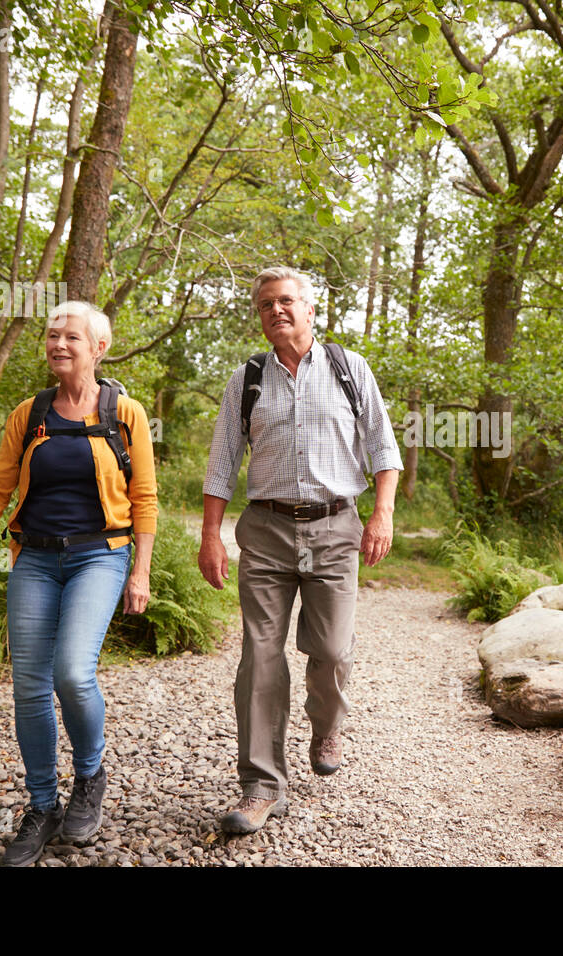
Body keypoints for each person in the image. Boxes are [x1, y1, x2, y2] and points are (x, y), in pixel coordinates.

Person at [0, 300, 158, 866]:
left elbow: (145, 500)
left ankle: (90, 775)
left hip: (100, 556)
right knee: (29, 687)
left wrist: (141, 572)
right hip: (34, 560)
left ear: (99, 347)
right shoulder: (30, 412)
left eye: (71, 337)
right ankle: (42, 806)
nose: (58, 345)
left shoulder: (126, 413)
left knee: (72, 671)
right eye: (51, 335)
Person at [198, 266, 401, 835]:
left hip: (337, 529)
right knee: (260, 656)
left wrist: (381, 514)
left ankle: (327, 724)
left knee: (332, 651)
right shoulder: (249, 378)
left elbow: (383, 448)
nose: (276, 311)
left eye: (287, 301)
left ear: (311, 310)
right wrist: (210, 536)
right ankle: (262, 785)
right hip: (265, 532)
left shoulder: (348, 368)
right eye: (266, 305)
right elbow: (221, 464)